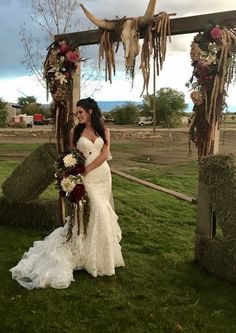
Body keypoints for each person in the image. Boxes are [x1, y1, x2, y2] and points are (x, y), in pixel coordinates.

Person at [10, 97, 125, 289]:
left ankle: (102, 256)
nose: (77, 116)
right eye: (76, 113)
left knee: (101, 209)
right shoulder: (75, 131)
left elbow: (105, 154)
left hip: (102, 176)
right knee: (92, 208)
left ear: (89, 111)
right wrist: (76, 172)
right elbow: (72, 154)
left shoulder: (104, 130)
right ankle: (81, 250)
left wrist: (89, 169)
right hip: (84, 176)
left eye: (80, 112)